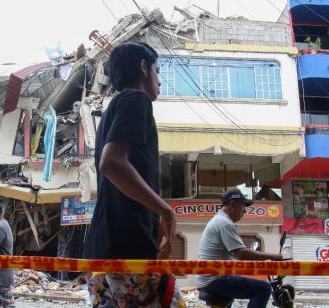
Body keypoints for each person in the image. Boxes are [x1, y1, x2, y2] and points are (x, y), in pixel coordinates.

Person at [83, 42, 185, 307]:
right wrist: (166, 211)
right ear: (143, 67)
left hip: (104, 250)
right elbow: (112, 164)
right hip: (129, 249)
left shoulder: (111, 111)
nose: (159, 81)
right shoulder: (135, 99)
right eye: (157, 71)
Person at [197, 189, 283, 308]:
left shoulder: (220, 220)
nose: (245, 210)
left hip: (211, 278)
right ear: (232, 204)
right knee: (263, 288)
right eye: (243, 206)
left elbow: (239, 253)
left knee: (243, 281)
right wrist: (273, 256)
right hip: (215, 280)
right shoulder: (224, 223)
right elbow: (241, 254)